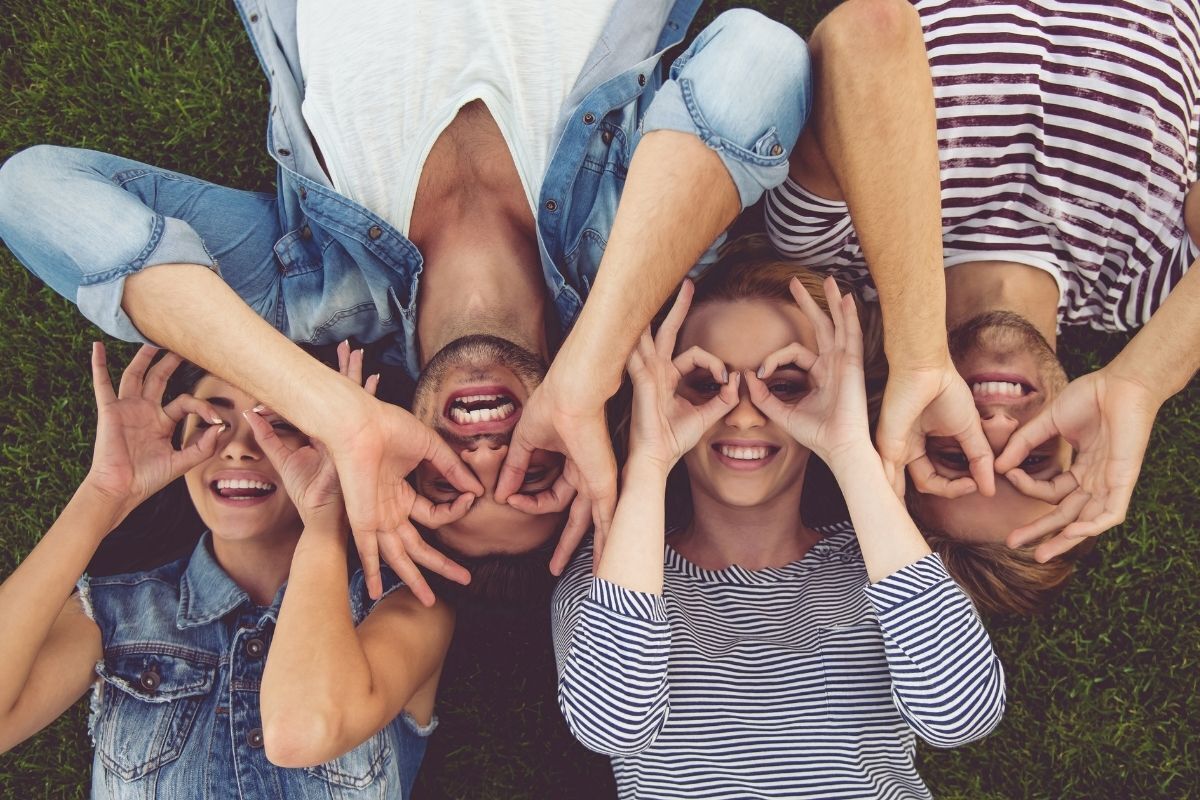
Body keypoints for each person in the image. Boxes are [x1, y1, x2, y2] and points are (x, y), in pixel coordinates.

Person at [0, 1, 812, 603]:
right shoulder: (637, 247)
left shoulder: (309, 288)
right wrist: (591, 365)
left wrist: (338, 417)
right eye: (536, 472)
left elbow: (35, 193)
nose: (491, 458)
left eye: (441, 482)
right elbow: (760, 61)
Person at [763, 0, 1200, 611]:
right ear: (1078, 442)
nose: (996, 425)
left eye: (954, 449)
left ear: (904, 429)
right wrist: (1143, 381)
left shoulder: (839, 246)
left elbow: (867, 31)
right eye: (1037, 454)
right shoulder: (1144, 289)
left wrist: (918, 355)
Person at [552, 242, 1005, 798]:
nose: (743, 413)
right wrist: (648, 458)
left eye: (785, 385)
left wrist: (850, 449)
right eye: (705, 384)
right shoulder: (613, 572)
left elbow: (962, 715)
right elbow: (610, 724)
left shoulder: (882, 562)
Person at [0, 342, 452, 798]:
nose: (238, 447)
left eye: (277, 424)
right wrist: (103, 496)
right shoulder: (118, 614)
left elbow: (304, 728)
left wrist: (326, 516)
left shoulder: (405, 610)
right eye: (214, 422)